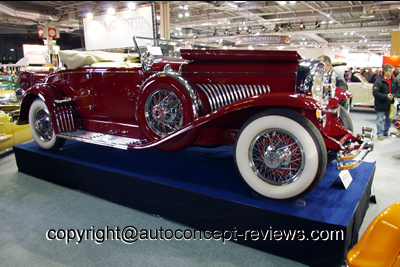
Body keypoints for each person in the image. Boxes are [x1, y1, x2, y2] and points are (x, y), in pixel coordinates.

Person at [372, 64, 400, 140]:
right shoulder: (379, 81)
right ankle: (380, 134)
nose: (391, 72)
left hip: (390, 104)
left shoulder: (394, 80)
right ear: (385, 71)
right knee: (380, 120)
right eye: (390, 71)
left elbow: (398, 89)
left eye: (392, 71)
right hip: (381, 104)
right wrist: (386, 96)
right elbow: (375, 93)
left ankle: (385, 132)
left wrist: (396, 95)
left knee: (389, 119)